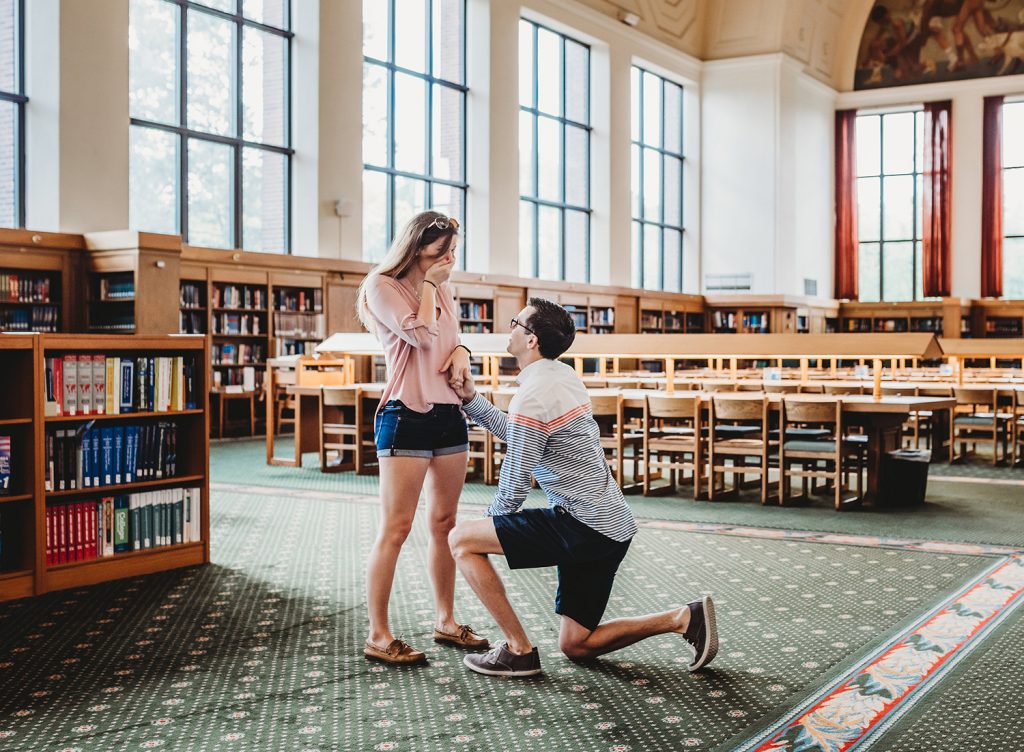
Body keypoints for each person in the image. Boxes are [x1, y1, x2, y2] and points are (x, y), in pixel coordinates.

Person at [447, 298, 717, 677]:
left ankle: (517, 650)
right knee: (577, 644)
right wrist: (472, 401)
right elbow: (526, 437)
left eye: (515, 323)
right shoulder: (561, 376)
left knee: (461, 540)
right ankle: (681, 618)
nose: (509, 328)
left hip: (583, 524)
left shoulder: (535, 392)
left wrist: (490, 527)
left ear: (532, 341)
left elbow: (516, 481)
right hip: (612, 526)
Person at [356, 210, 489, 665]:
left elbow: (449, 337)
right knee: (396, 528)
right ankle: (378, 633)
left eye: (454, 250)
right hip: (405, 415)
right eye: (442, 251)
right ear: (417, 248)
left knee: (445, 523)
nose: (451, 258)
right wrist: (431, 285)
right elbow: (419, 333)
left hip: (450, 413)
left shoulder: (444, 286)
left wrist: (464, 352)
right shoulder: (382, 285)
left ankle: (446, 620)